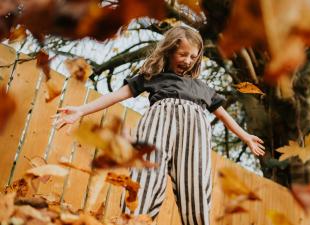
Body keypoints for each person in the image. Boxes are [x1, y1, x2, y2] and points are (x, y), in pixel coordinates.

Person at [52, 26, 265, 225]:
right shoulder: (153, 77)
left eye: (193, 56)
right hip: (157, 129)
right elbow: (116, 96)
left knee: (196, 185)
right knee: (145, 179)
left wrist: (245, 135)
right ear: (169, 52)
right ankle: (134, 221)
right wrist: (81, 110)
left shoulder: (202, 88)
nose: (188, 60)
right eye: (183, 54)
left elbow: (224, 115)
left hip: (194, 137)